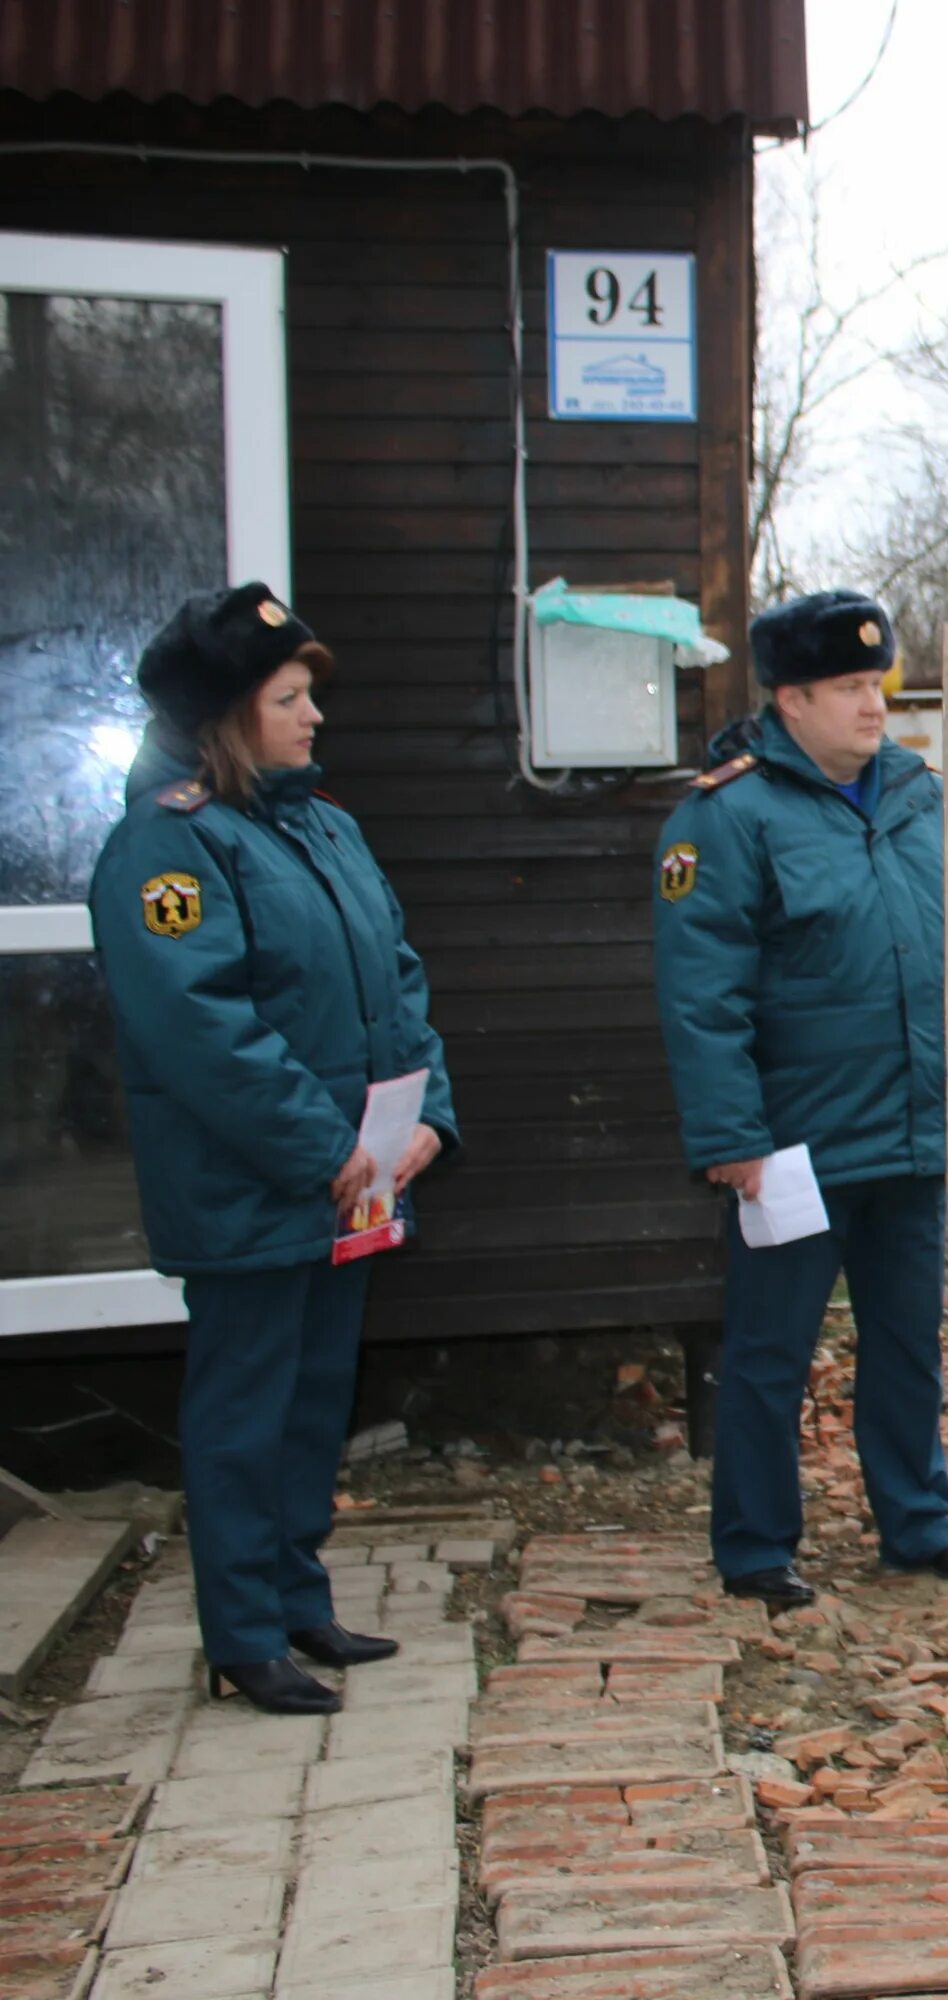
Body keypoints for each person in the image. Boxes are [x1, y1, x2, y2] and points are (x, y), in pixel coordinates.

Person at [90, 585, 456, 1715]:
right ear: (223, 715)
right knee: (246, 1410)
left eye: (310, 695)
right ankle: (240, 1632)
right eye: (288, 697)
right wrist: (323, 1145)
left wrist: (427, 1112)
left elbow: (395, 977)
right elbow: (201, 1030)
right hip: (256, 1187)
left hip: (350, 1180)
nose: (313, 717)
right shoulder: (170, 842)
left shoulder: (320, 824)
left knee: (313, 1399)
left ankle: (297, 1595)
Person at [653, 590, 948, 1608]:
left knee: (909, 1343)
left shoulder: (921, 796)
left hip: (913, 1132)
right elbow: (703, 995)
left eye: (879, 684)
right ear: (791, 699)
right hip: (792, 1147)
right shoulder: (727, 816)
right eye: (851, 688)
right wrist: (732, 1135)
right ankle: (755, 1545)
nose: (876, 706)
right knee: (774, 1353)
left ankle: (917, 1521)